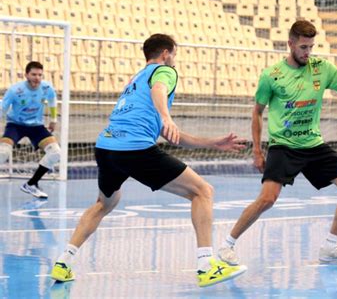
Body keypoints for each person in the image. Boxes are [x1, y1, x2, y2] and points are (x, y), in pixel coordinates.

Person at [50, 34, 247, 287]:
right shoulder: (164, 71)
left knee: (104, 203)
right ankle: (207, 265)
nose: (174, 60)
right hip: (135, 148)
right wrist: (167, 116)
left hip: (106, 147)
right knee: (203, 191)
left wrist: (211, 143)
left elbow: (168, 134)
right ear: (166, 53)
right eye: (174, 55)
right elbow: (160, 91)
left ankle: (63, 262)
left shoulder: (135, 81)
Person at [218, 20, 337, 266]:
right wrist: (257, 150)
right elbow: (256, 112)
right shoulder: (272, 76)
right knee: (267, 199)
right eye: (303, 47)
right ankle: (227, 245)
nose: (308, 53)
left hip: (313, 144)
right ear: (290, 44)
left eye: (311, 47)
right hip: (283, 145)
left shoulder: (322, 68)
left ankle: (330, 246)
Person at [0, 61, 60, 199]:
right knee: (3, 151)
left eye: (40, 75)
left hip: (36, 126)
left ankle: (31, 184)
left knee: (55, 153)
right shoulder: (15, 90)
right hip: (15, 125)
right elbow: (3, 109)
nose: (37, 77)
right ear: (26, 75)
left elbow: (52, 100)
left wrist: (53, 119)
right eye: (33, 74)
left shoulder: (46, 87)